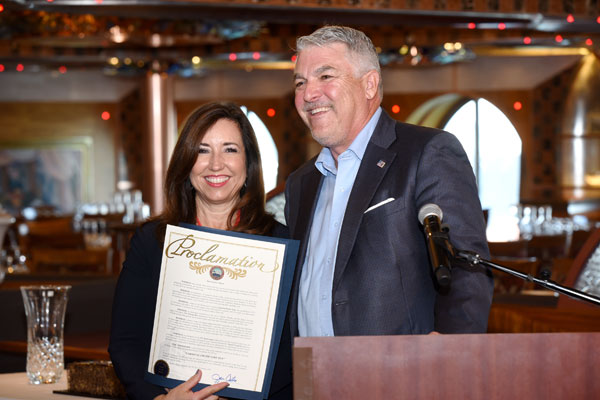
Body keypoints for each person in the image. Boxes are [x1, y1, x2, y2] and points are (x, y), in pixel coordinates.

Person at [284, 25, 494, 338]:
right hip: (310, 365)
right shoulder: (301, 183)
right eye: (300, 83)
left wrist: (451, 352)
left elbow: (467, 269)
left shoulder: (427, 153)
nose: (309, 94)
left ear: (369, 84)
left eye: (325, 76)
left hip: (399, 366)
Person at [109, 102, 292, 400]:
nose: (216, 164)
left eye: (230, 149)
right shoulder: (152, 242)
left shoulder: (279, 244)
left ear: (248, 163)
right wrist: (160, 398)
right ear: (186, 163)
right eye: (202, 150)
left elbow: (291, 345)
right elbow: (125, 342)